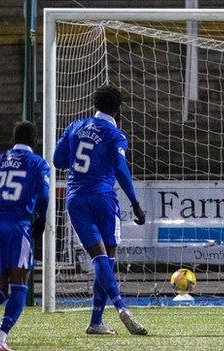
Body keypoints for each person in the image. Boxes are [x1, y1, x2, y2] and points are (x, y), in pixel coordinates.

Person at [53, 85, 147, 335]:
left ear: (95, 105)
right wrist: (135, 203)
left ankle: (96, 322)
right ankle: (120, 308)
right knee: (108, 258)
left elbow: (57, 160)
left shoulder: (75, 126)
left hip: (75, 199)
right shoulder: (115, 135)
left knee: (98, 258)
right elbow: (121, 169)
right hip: (102, 198)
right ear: (118, 109)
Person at [0, 121, 49, 351]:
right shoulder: (37, 163)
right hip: (16, 225)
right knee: (19, 286)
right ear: (35, 142)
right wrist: (39, 221)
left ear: (13, 140)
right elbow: (45, 196)